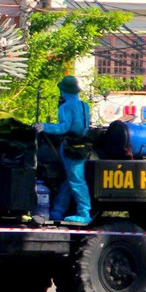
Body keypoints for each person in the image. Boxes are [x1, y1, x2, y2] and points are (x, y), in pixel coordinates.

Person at [35, 75, 92, 225]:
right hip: (83, 146)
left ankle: (84, 212)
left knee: (77, 181)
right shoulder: (84, 105)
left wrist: (44, 126)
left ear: (64, 91)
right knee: (69, 180)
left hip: (71, 147)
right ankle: (57, 211)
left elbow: (63, 127)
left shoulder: (66, 107)